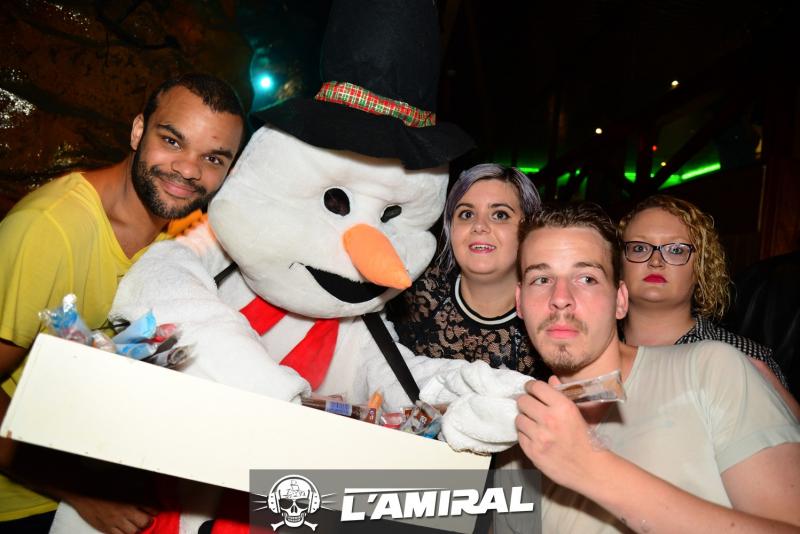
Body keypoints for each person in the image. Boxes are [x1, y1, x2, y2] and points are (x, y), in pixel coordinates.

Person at [0, 73, 246, 533]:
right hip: (26, 503)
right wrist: (78, 492)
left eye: (212, 158)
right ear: (137, 132)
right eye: (172, 140)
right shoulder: (49, 231)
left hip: (116, 482)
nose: (188, 170)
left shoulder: (189, 239)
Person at [514, 203, 800, 533]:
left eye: (587, 278)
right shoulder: (512, 428)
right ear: (519, 301)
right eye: (541, 279)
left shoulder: (713, 369)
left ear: (620, 300)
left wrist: (589, 465)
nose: (560, 297)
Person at [618, 194, 799, 417]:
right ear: (618, 263)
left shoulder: (743, 358)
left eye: (676, 250)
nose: (656, 261)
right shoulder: (590, 350)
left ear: (701, 267)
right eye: (639, 248)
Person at [392, 163, 548, 378]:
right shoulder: (411, 293)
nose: (479, 226)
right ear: (450, 228)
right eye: (466, 214)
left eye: (500, 215)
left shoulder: (549, 313)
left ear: (528, 229)